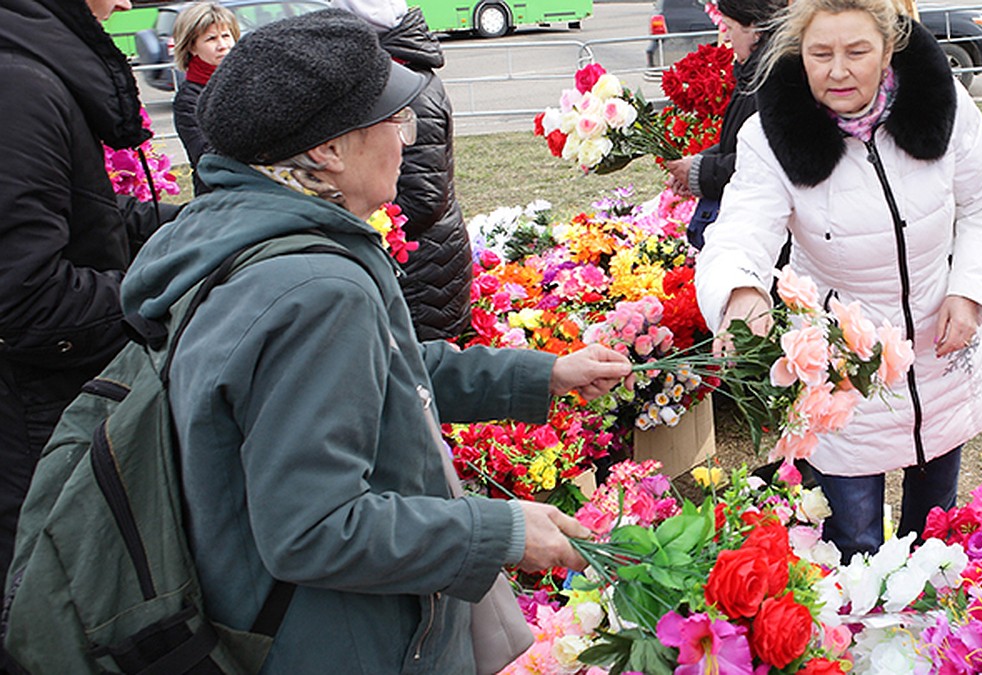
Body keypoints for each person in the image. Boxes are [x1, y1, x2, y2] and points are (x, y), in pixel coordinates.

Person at [120, 10, 632, 672]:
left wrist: (541, 375)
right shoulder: (312, 289)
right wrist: (500, 530)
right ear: (328, 151)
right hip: (340, 641)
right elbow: (313, 527)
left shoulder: (250, 231)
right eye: (392, 120)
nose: (405, 136)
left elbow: (386, 371)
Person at [695, 0, 982, 563]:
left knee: (935, 540)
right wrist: (740, 293)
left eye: (856, 52)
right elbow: (739, 231)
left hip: (942, 350)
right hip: (846, 371)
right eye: (821, 54)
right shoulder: (771, 138)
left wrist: (970, 292)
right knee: (854, 545)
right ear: (800, 54)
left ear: (888, 50)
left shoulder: (944, 106)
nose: (838, 71)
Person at [0, 0, 178, 585]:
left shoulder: (28, 72)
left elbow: (89, 212)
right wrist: (171, 291)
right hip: (33, 427)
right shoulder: (18, 86)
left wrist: (200, 224)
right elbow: (26, 299)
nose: (127, 3)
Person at [334, 0, 474, 341]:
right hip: (421, 263)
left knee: (423, 378)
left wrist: (360, 222)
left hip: (422, 267)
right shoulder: (390, 77)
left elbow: (424, 198)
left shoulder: (409, 88)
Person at [664, 0, 788, 250]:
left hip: (768, 232)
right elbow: (739, 141)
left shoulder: (774, 77)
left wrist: (700, 170)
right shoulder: (752, 71)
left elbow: (770, 162)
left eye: (730, 27)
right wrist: (696, 164)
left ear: (755, 28)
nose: (727, 38)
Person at [171, 1, 239, 195]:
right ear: (191, 47)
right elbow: (205, 157)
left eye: (226, 36)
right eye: (211, 39)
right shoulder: (188, 99)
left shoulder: (247, 82)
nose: (223, 45)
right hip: (219, 196)